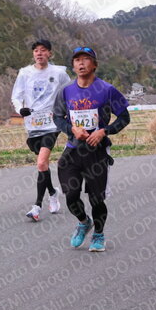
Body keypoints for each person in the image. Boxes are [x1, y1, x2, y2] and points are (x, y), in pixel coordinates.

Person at [52, 47, 130, 252]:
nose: (81, 63)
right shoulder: (66, 91)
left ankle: (98, 234)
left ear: (94, 64)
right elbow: (57, 117)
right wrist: (72, 129)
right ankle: (84, 222)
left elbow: (124, 117)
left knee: (96, 198)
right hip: (73, 151)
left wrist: (104, 131)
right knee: (71, 195)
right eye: (77, 60)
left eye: (86, 59)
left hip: (97, 153)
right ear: (73, 65)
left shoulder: (107, 89)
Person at [11, 39, 70, 221]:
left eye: (43, 50)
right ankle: (52, 192)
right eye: (36, 50)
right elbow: (16, 96)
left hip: (52, 124)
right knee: (42, 165)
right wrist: (20, 109)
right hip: (33, 124)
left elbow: (69, 92)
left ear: (50, 53)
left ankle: (36, 206)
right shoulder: (25, 73)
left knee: (41, 162)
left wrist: (67, 112)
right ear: (33, 54)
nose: (39, 53)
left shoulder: (59, 73)